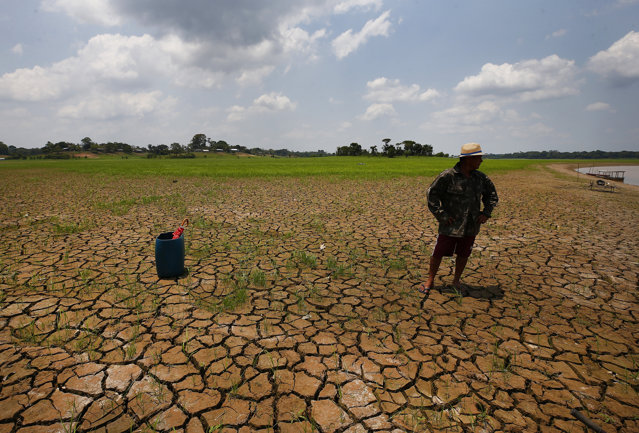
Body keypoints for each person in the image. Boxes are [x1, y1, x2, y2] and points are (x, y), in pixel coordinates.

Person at [418, 142, 498, 294]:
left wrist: (486, 213)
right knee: (438, 252)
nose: (481, 161)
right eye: (479, 158)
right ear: (468, 159)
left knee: (463, 254)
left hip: (471, 225)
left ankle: (456, 281)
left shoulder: (481, 178)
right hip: (450, 225)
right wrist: (441, 215)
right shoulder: (448, 176)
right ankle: (430, 280)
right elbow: (432, 195)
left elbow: (492, 196)